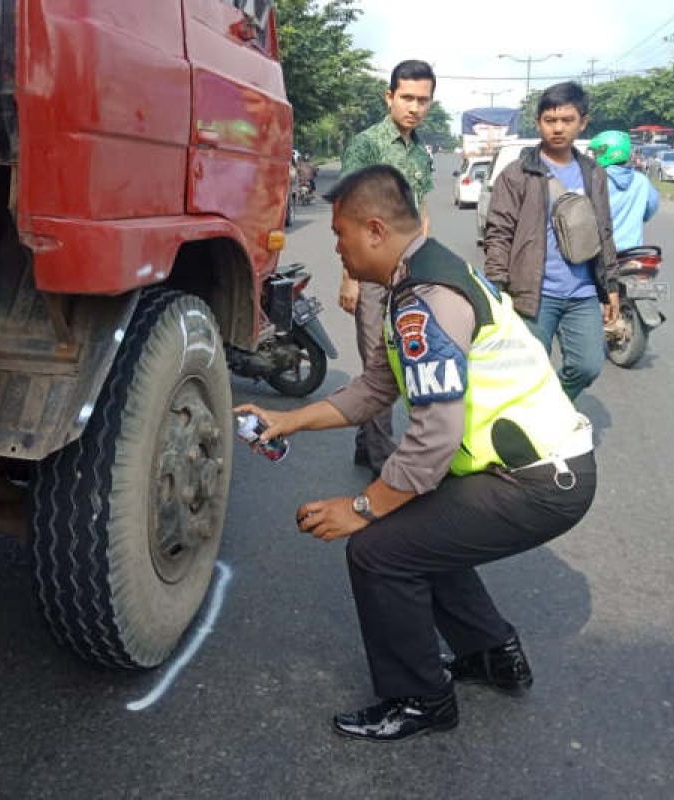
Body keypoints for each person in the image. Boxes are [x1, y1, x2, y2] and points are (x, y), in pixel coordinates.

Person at [236, 165, 597, 742]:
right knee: (417, 531)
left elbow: (432, 439)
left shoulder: (423, 300)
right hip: (533, 471)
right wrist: (290, 420)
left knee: (380, 552)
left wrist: (360, 508)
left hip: (538, 481)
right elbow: (377, 388)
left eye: (339, 233)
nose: (337, 247)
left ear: (375, 229)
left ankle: (419, 699)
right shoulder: (421, 278)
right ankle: (490, 656)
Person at [482, 82, 619, 401]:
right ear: (538, 122)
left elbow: (604, 232)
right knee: (528, 371)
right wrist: (497, 288)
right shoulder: (518, 174)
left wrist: (610, 286)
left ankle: (550, 406)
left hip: (582, 292)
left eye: (567, 120)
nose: (558, 128)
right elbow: (498, 232)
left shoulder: (594, 174)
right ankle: (532, 432)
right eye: (550, 120)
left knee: (588, 365)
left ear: (582, 122)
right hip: (533, 293)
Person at [337, 59, 436, 475]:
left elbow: (423, 210)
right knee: (381, 364)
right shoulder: (367, 144)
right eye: (407, 97)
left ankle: (367, 444)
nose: (414, 107)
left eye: (423, 100)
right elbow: (348, 212)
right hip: (373, 274)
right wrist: (350, 278)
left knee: (399, 356)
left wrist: (425, 266)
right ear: (390, 96)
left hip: (407, 273)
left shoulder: (420, 151)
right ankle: (383, 462)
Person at [587, 130, 659, 252]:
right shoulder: (641, 180)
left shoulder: (595, 180)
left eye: (597, 153)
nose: (594, 157)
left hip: (602, 253)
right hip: (633, 252)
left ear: (608, 153)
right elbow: (651, 208)